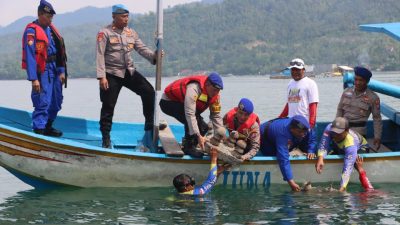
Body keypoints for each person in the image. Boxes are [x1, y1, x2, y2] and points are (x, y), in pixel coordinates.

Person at [96, 4, 160, 148]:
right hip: (111, 73)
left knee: (149, 92)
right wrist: (102, 77)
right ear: (114, 16)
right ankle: (105, 137)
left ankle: (149, 124)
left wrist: (155, 56)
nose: (126, 19)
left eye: (127, 16)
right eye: (123, 17)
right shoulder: (104, 33)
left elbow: (141, 48)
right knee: (108, 106)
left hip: (129, 71)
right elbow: (99, 55)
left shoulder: (131, 33)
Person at [22, 0, 67, 137]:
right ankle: (39, 129)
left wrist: (61, 71)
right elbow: (30, 56)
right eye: (48, 16)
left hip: (55, 68)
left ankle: (48, 125)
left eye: (51, 17)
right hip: (42, 70)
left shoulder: (52, 30)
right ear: (40, 14)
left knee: (57, 100)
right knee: (43, 100)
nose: (50, 19)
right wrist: (34, 78)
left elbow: (59, 52)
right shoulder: (31, 31)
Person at [160, 72, 224, 158]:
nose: (216, 93)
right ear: (207, 84)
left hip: (187, 108)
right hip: (168, 103)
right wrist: (198, 135)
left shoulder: (215, 96)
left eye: (218, 91)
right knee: (194, 123)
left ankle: (189, 145)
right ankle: (188, 147)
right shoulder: (194, 88)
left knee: (204, 128)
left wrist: (221, 135)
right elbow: (190, 114)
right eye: (214, 90)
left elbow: (216, 116)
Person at [315, 117, 374, 192]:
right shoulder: (329, 128)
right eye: (334, 133)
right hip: (341, 147)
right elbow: (323, 144)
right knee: (322, 155)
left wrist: (342, 188)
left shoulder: (351, 144)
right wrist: (320, 158)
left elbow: (347, 169)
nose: (335, 135)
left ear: (346, 131)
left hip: (360, 148)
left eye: (338, 133)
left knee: (354, 162)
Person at [259, 115, 316, 191]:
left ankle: (295, 150)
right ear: (291, 129)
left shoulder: (305, 128)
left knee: (304, 138)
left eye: (304, 132)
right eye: (299, 132)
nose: (303, 134)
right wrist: (291, 182)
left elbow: (312, 138)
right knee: (277, 155)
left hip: (289, 137)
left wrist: (311, 151)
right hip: (266, 139)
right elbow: (283, 159)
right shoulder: (282, 133)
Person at [278, 58, 319, 159]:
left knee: (309, 153)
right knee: (286, 152)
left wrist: (310, 126)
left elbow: (313, 105)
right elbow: (289, 104)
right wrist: (278, 119)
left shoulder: (310, 83)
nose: (295, 72)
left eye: (298, 69)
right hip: (292, 125)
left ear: (303, 70)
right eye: (293, 70)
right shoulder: (290, 84)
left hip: (304, 126)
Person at [336, 66, 382, 151]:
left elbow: (377, 118)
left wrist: (377, 137)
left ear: (367, 81)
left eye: (361, 80)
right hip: (343, 132)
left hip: (359, 134)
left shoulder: (373, 98)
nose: (357, 82)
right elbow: (340, 110)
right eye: (356, 79)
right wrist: (337, 127)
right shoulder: (346, 92)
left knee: (359, 157)